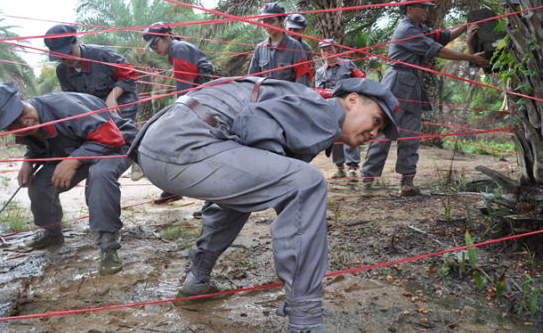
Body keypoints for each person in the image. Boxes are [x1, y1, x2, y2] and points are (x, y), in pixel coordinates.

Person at [128, 76, 399, 333]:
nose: (375, 132)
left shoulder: (304, 103)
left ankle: (197, 280)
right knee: (307, 183)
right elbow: (253, 119)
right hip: (184, 145)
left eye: (380, 129)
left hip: (158, 147)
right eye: (376, 120)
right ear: (352, 100)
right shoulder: (324, 110)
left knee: (251, 189)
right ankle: (305, 321)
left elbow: (249, 168)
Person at [0, 82, 136, 275]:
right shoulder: (31, 124)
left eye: (20, 114)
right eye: (11, 124)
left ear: (23, 99)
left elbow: (111, 137)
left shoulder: (66, 108)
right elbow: (46, 144)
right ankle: (51, 234)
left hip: (117, 143)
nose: (22, 124)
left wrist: (73, 160)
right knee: (39, 185)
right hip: (80, 151)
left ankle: (108, 246)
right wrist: (29, 160)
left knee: (100, 174)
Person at [359, 0, 490, 198]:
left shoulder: (419, 29)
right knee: (384, 133)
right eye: (423, 7)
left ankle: (407, 183)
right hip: (397, 84)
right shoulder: (406, 30)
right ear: (409, 9)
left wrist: (466, 26)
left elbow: (443, 37)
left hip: (413, 83)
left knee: (411, 135)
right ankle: (367, 180)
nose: (427, 11)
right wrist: (470, 56)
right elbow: (438, 50)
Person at [44, 24, 145, 181]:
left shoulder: (101, 54)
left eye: (68, 53)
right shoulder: (62, 71)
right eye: (61, 57)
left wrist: (112, 98)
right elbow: (73, 100)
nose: (66, 59)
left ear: (76, 40)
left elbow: (129, 74)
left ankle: (138, 156)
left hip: (121, 100)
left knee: (115, 126)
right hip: (95, 110)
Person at [141, 21, 216, 213]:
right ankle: (172, 188)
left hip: (207, 104)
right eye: (151, 47)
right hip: (202, 102)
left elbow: (185, 91)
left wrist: (178, 116)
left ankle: (213, 201)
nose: (154, 49)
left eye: (155, 43)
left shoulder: (180, 48)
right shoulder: (175, 51)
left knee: (201, 149)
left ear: (167, 36)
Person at [315, 39, 366, 182]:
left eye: (329, 49)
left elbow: (361, 79)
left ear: (335, 50)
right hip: (331, 108)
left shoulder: (348, 64)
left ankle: (353, 169)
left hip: (350, 107)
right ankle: (340, 168)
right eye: (323, 51)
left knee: (351, 134)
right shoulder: (320, 72)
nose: (326, 53)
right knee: (336, 136)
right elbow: (319, 91)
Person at [248, 3, 312, 87]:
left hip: (288, 98)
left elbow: (302, 80)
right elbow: (252, 79)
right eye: (264, 21)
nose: (267, 25)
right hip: (264, 98)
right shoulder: (260, 48)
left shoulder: (295, 46)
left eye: (271, 21)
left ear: (281, 20)